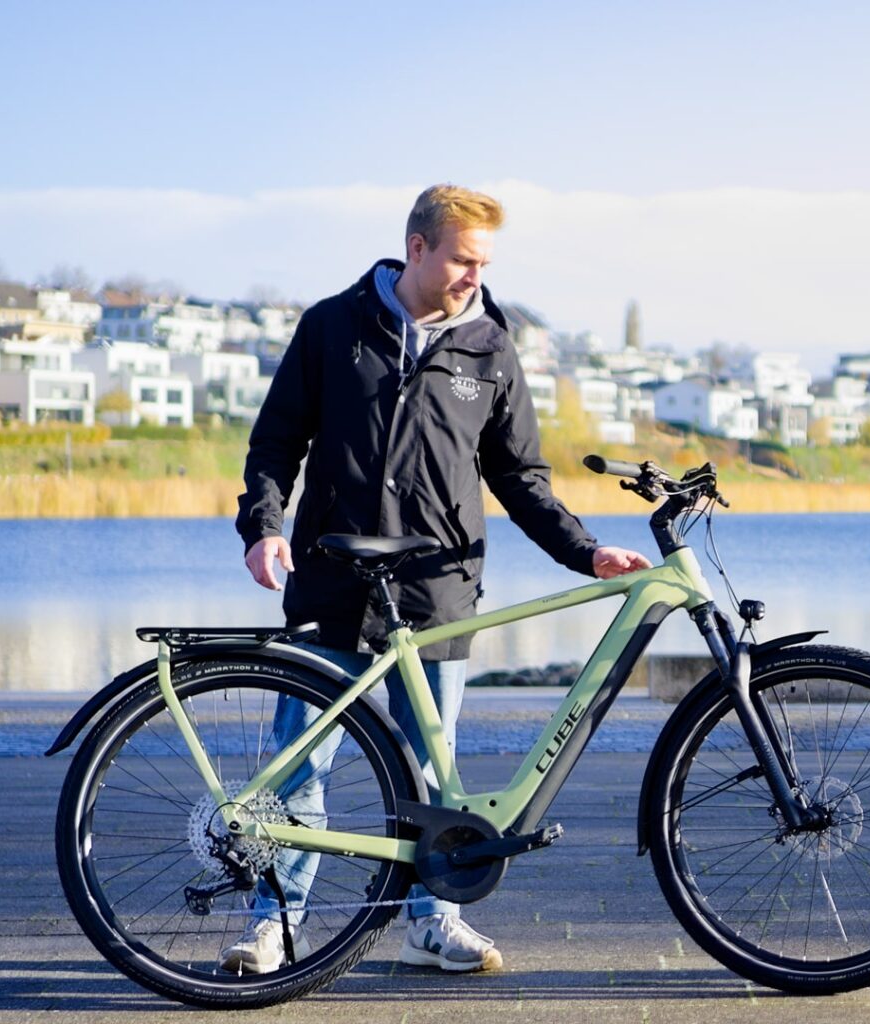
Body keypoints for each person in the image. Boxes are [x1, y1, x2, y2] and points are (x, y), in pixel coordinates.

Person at [228, 184, 650, 975]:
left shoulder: (490, 344)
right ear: (416, 247)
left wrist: (584, 552)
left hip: (437, 588)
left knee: (433, 764)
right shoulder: (332, 325)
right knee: (300, 761)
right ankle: (275, 925)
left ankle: (433, 921)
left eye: (484, 262)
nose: (473, 275)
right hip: (330, 581)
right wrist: (264, 529)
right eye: (462, 258)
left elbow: (519, 474)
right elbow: (275, 445)